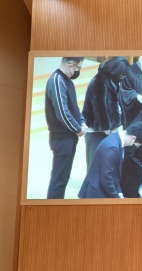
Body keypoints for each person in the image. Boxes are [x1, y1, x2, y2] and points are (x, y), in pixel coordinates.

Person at [45, 57, 87, 199]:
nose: (78, 71)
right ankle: (52, 209)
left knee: (63, 178)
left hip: (68, 138)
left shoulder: (68, 81)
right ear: (70, 66)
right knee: (59, 180)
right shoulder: (57, 81)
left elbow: (73, 107)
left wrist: (82, 121)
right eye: (78, 68)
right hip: (62, 138)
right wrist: (77, 129)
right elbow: (62, 113)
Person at [78, 122, 142, 199]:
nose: (132, 146)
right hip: (96, 192)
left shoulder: (117, 139)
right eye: (135, 145)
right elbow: (106, 179)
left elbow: (114, 173)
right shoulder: (112, 148)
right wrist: (117, 197)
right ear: (133, 138)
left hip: (102, 189)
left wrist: (119, 192)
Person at [82, 57, 130, 168]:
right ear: (115, 71)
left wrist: (116, 126)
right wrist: (109, 130)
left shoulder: (113, 80)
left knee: (107, 164)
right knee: (94, 164)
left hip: (110, 130)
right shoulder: (98, 82)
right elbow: (99, 110)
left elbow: (116, 104)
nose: (122, 78)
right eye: (121, 75)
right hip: (96, 131)